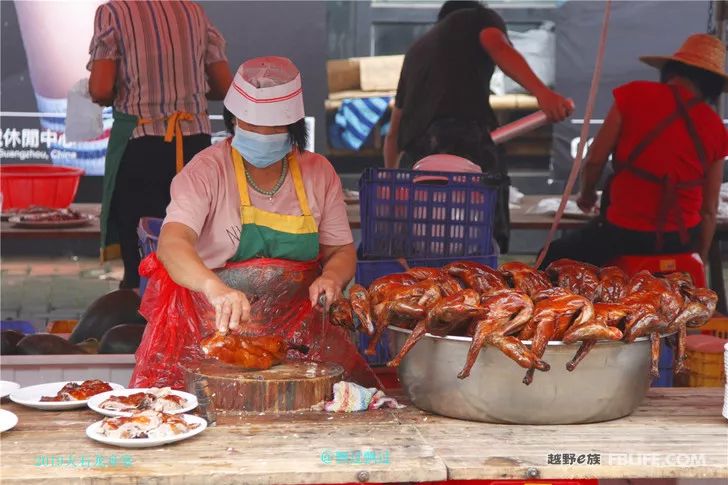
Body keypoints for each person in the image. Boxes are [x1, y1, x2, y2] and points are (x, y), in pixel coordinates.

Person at [129, 57, 378, 389]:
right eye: (250, 125)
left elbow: (342, 251)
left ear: (294, 128)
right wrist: (215, 289)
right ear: (233, 122)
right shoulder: (207, 170)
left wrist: (332, 278)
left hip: (300, 339)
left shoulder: (318, 173)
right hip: (212, 332)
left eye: (274, 128)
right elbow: (172, 244)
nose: (262, 135)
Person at [384, 0, 573, 254]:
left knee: (426, 243)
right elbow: (498, 46)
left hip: (417, 158)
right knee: (481, 241)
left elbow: (394, 133)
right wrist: (542, 93)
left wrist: (393, 185)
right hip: (463, 144)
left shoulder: (418, 50)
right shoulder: (476, 18)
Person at [540, 34, 728, 269]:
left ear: (671, 70)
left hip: (624, 234)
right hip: (680, 240)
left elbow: (595, 161)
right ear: (712, 86)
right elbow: (709, 211)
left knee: (552, 255)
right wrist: (697, 259)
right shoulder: (715, 126)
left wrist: (586, 194)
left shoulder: (632, 95)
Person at [88, 0, 232, 290]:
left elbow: (100, 88)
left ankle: (142, 322)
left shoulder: (114, 12)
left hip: (144, 149)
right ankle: (194, 316)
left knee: (142, 251)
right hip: (196, 146)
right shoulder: (192, 11)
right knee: (196, 244)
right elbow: (224, 87)